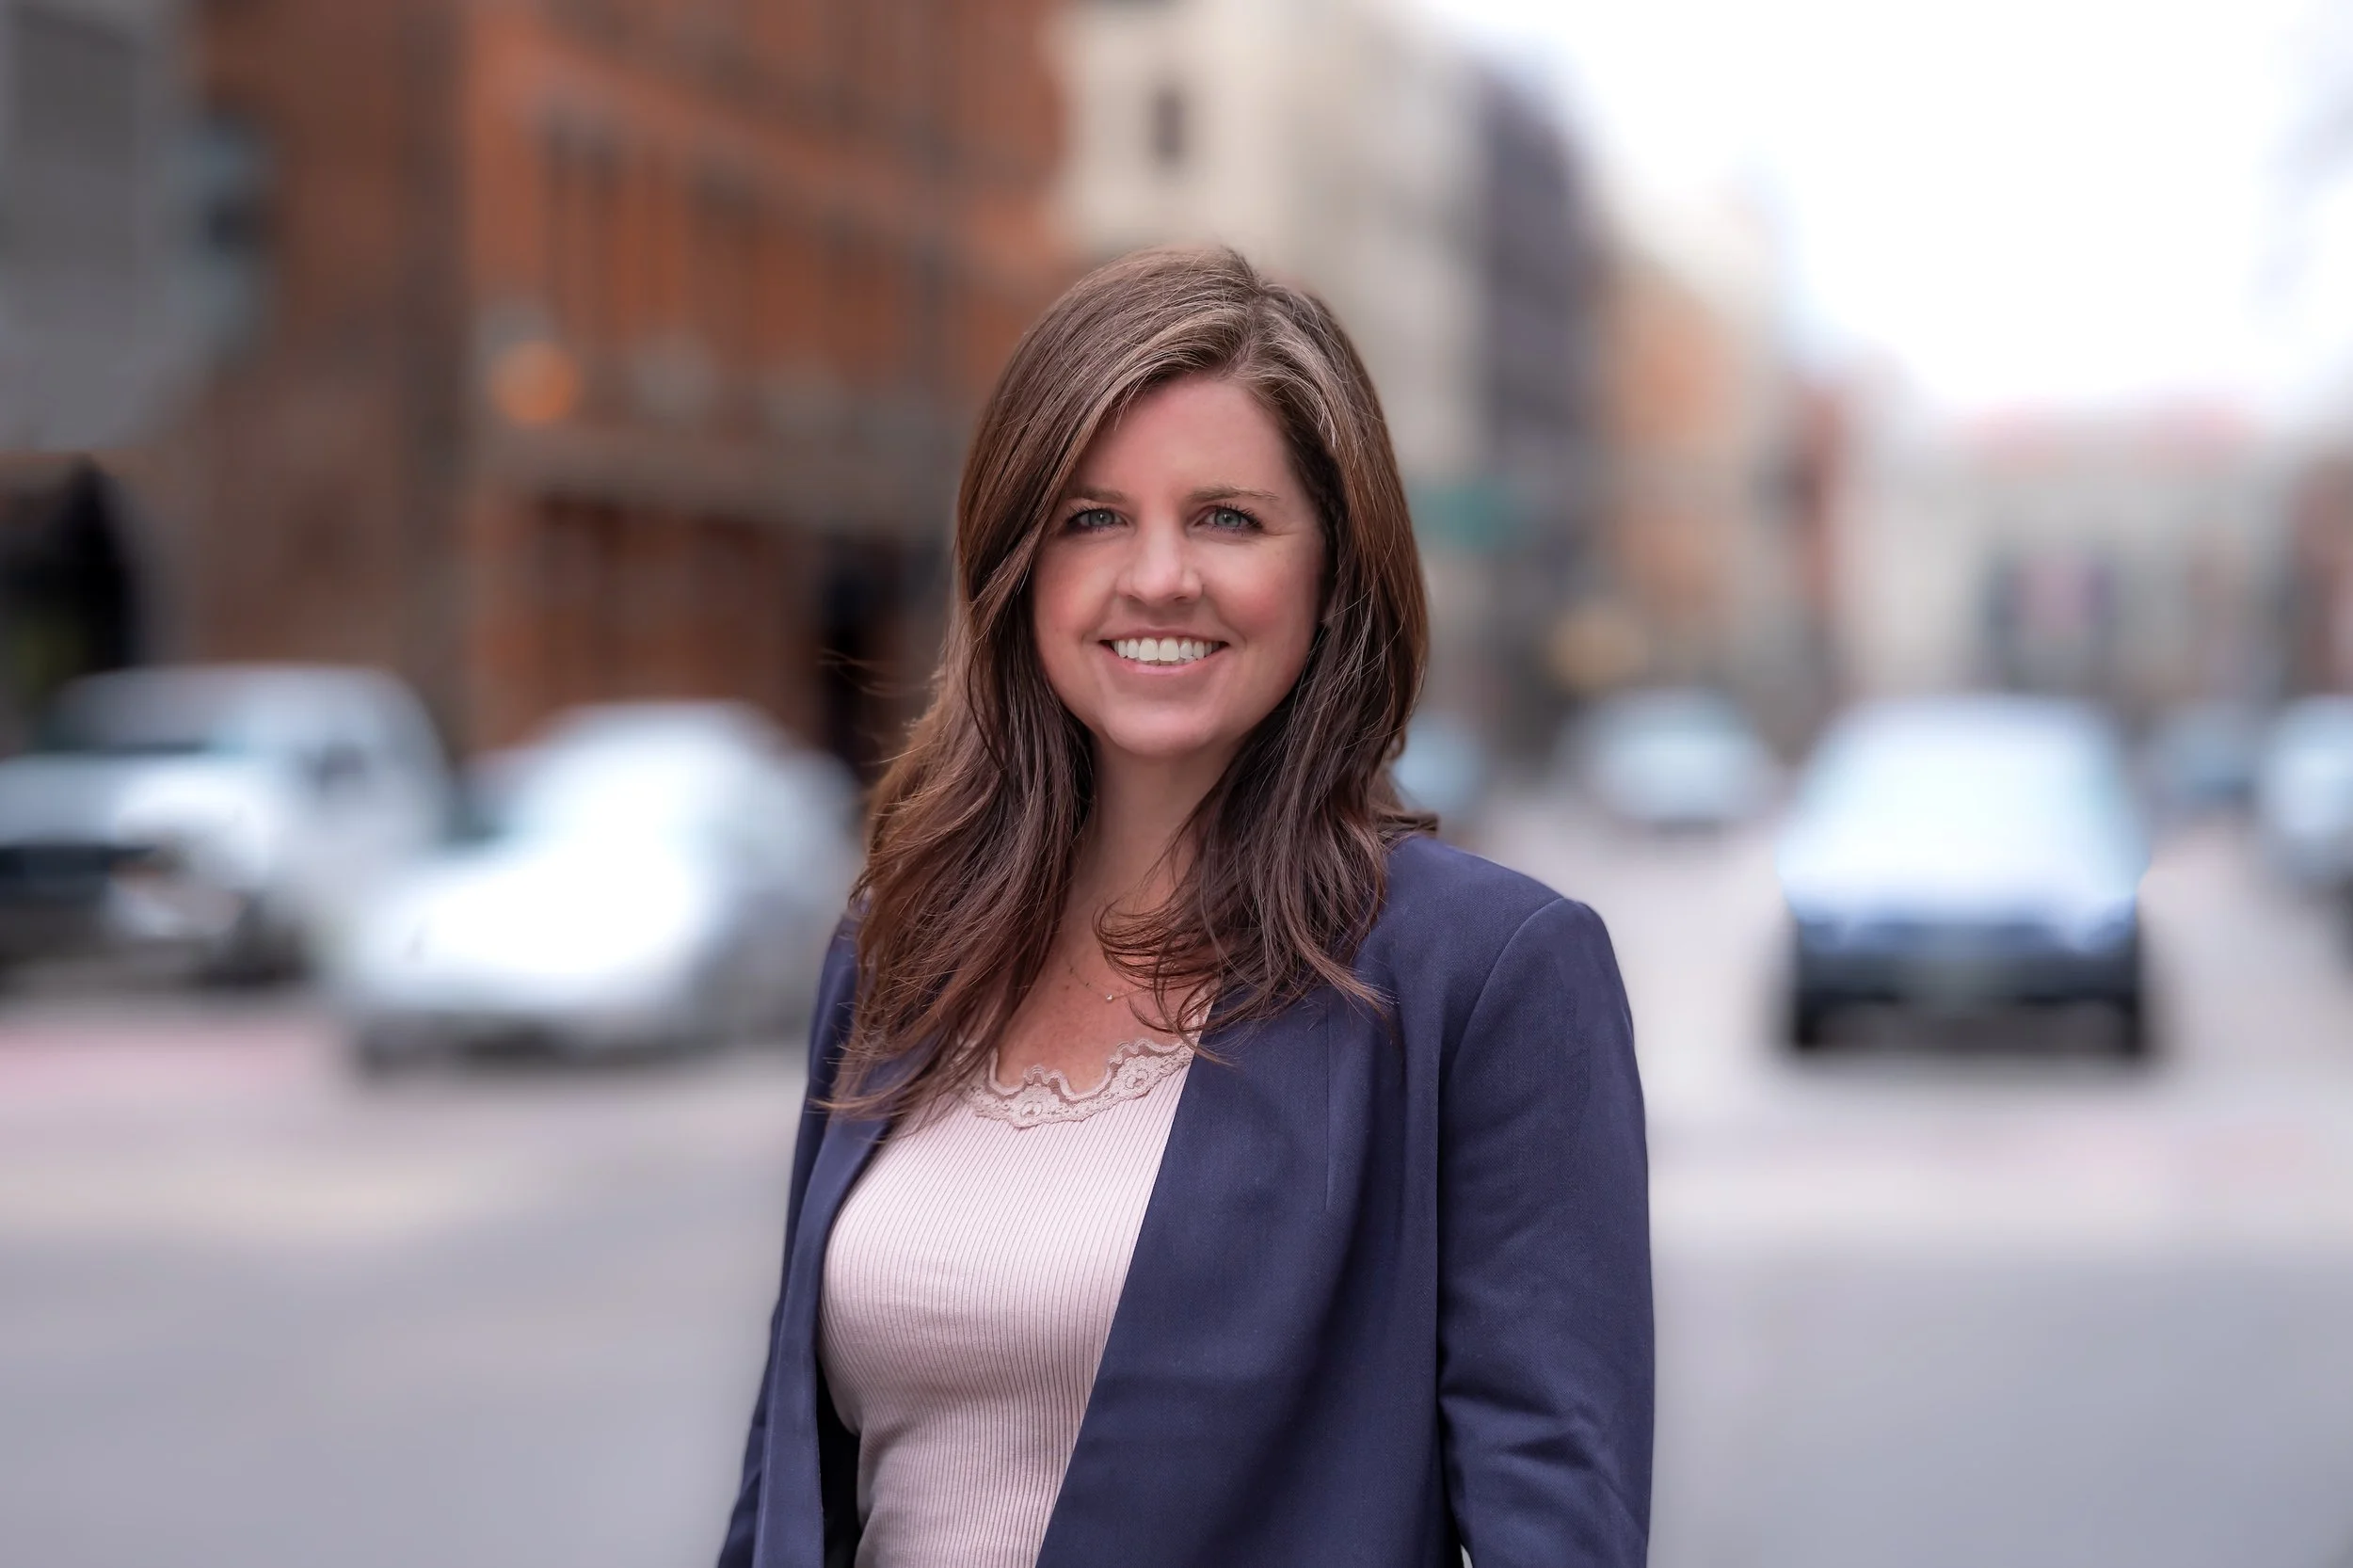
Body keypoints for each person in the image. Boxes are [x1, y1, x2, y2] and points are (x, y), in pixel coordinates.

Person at [716, 246, 1651, 1568]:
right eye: (1092, 518)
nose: (1157, 576)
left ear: (1331, 576)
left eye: (1226, 517)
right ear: (1018, 569)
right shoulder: (902, 944)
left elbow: (1551, 1517)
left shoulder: (1486, 976)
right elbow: (785, 1481)